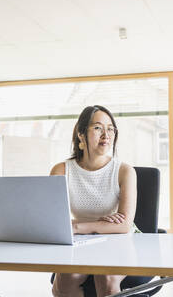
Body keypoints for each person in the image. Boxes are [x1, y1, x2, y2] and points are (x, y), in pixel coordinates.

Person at [50, 105, 137, 297]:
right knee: (63, 282)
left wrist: (76, 226)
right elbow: (55, 222)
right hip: (80, 242)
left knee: (105, 278)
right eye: (98, 128)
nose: (106, 134)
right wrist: (98, 224)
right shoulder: (61, 170)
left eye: (111, 129)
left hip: (118, 240)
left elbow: (123, 225)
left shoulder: (124, 171)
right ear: (81, 134)